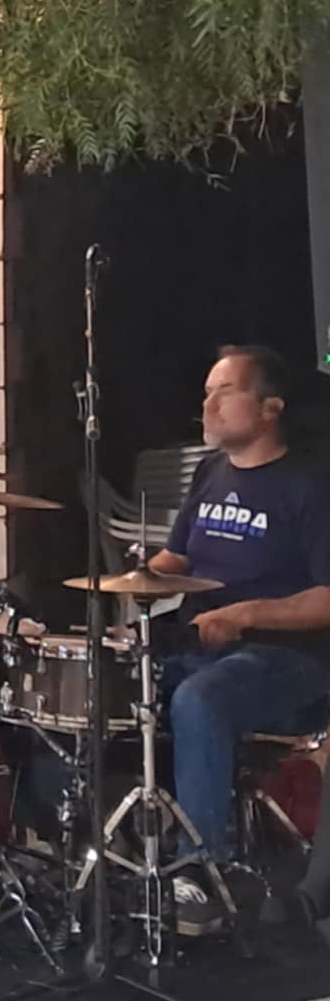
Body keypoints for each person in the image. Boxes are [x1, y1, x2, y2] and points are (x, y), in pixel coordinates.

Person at [145, 345, 330, 934]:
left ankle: (203, 872)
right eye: (207, 392)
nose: (209, 404)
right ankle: (115, 846)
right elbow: (176, 559)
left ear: (271, 407)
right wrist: (130, 581)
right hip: (204, 646)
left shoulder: (310, 485)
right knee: (102, 681)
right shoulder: (210, 472)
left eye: (226, 391)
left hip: (286, 659)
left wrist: (246, 614)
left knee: (200, 700)